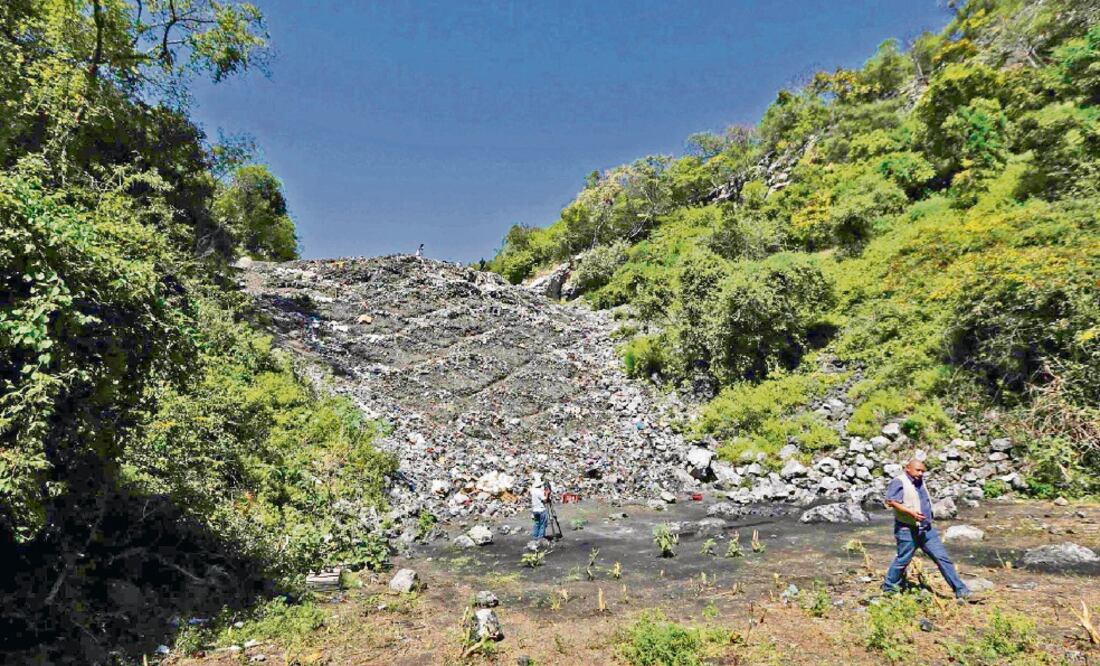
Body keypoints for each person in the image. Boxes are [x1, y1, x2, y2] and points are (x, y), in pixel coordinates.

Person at [882, 458, 973, 602]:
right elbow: (891, 501)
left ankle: (961, 591)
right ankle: (889, 589)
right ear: (908, 469)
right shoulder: (899, 481)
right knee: (903, 559)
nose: (921, 473)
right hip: (907, 528)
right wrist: (911, 513)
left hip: (926, 529)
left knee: (942, 558)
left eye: (923, 471)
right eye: (918, 470)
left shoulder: (919, 481)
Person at [530, 472, 551, 540]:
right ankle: (540, 538)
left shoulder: (533, 491)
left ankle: (535, 537)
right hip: (541, 510)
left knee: (537, 524)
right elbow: (545, 500)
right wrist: (547, 494)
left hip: (535, 511)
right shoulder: (539, 492)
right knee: (542, 525)